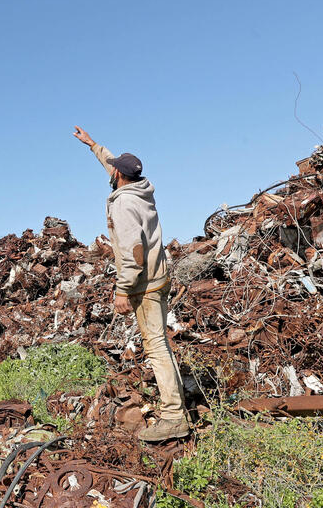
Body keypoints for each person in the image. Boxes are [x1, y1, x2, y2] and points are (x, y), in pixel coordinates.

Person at [73, 126, 189, 442]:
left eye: (114, 172)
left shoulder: (123, 203)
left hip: (144, 283)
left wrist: (123, 289)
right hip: (159, 277)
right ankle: (178, 408)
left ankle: (174, 417)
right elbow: (112, 163)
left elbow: (134, 251)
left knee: (156, 345)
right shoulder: (141, 190)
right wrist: (93, 145)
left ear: (120, 178)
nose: (111, 173)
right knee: (160, 342)